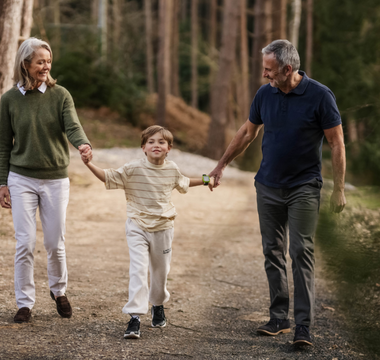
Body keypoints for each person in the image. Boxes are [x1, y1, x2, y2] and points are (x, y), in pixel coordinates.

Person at [209, 40, 346, 346]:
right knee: (272, 251)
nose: (264, 75)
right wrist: (221, 165)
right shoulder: (264, 94)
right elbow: (247, 133)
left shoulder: (320, 96)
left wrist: (338, 189)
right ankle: (279, 317)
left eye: (269, 70)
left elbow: (337, 142)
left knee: (300, 252)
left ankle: (303, 326)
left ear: (287, 69)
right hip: (268, 185)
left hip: (304, 187)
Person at [82, 125, 214, 339]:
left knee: (160, 274)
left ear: (169, 148)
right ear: (143, 147)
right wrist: (89, 163)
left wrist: (209, 179)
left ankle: (158, 304)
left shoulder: (171, 169)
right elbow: (107, 177)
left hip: (163, 228)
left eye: (161, 142)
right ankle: (134, 317)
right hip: (137, 226)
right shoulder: (133, 168)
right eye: (151, 142)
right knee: (138, 270)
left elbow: (186, 182)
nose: (156, 145)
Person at [0, 38, 92, 323]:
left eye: (48, 61)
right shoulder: (8, 100)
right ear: (25, 64)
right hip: (21, 178)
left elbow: (72, 126)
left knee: (55, 243)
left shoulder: (60, 94)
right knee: (25, 243)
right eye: (40, 61)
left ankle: (58, 290)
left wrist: (83, 145)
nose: (45, 66)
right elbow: (3, 145)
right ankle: (24, 303)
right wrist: (2, 183)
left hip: (54, 179)